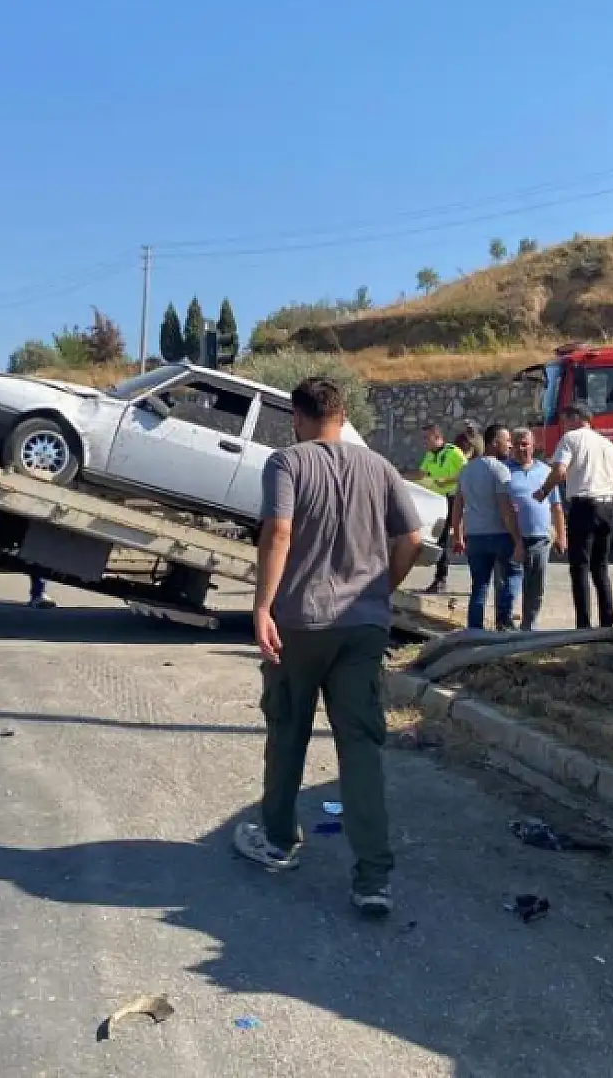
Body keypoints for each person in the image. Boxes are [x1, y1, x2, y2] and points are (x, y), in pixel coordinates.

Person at [235, 377, 423, 918]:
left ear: (297, 416)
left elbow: (279, 534)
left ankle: (278, 841)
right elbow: (411, 539)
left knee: (288, 733)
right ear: (343, 416)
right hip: (363, 628)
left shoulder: (287, 463)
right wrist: (382, 588)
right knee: (360, 749)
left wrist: (262, 607)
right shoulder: (380, 467)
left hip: (300, 623)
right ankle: (373, 878)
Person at [534, 402, 613, 630]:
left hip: (584, 506)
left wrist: (543, 491)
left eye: (566, 420)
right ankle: (608, 625)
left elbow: (559, 470)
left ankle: (584, 626)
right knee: (601, 568)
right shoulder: (608, 444)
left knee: (579, 568)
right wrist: (612, 502)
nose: (564, 425)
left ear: (576, 418)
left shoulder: (571, 439)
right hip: (606, 506)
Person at [447, 423, 524, 630]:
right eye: (506, 441)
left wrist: (458, 535)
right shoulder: (499, 470)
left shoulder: (466, 470)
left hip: (474, 537)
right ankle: (504, 622)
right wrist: (518, 539)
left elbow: (457, 506)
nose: (509, 446)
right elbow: (505, 508)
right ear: (494, 442)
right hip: (498, 534)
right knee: (513, 575)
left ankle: (474, 630)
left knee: (479, 586)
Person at [506, 427, 565, 630]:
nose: (522, 449)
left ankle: (529, 625)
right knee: (510, 584)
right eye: (518, 444)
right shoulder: (504, 471)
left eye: (526, 444)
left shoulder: (546, 471)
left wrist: (561, 536)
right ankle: (505, 624)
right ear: (511, 446)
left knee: (536, 585)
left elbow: (557, 507)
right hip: (512, 538)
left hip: (540, 536)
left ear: (533, 446)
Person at [411, 423, 466, 593]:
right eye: (423, 438)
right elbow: (421, 475)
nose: (424, 442)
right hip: (436, 502)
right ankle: (441, 578)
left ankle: (441, 579)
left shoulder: (453, 452)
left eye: (427, 438)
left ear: (438, 437)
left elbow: (467, 472)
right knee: (439, 539)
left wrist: (448, 481)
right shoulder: (429, 456)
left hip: (453, 500)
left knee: (443, 540)